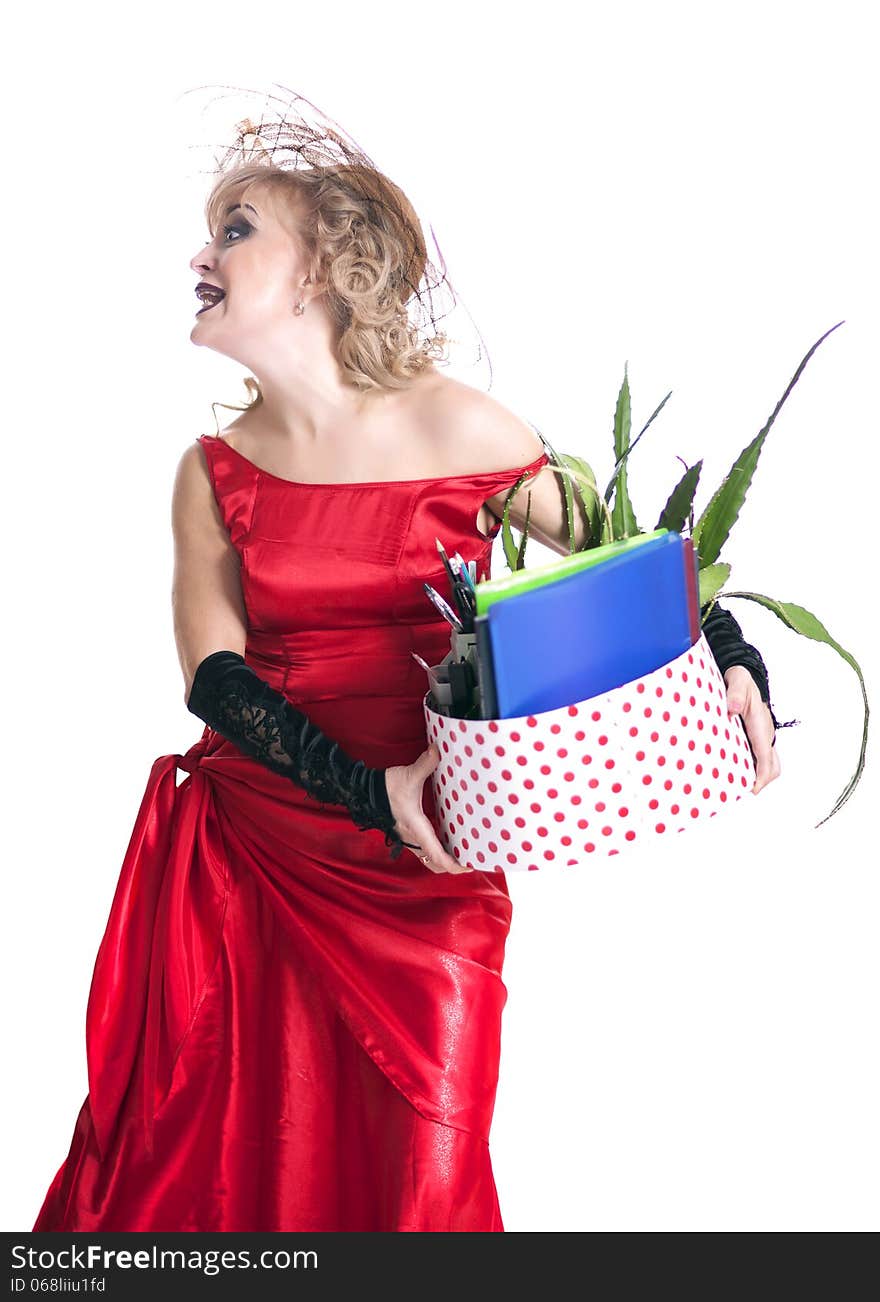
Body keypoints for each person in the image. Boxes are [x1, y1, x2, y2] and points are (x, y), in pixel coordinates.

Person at [32, 151, 780, 1233]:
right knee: (204, 1175)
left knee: (419, 1186)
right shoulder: (212, 472)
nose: (200, 254)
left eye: (235, 230)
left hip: (426, 873)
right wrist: (364, 787)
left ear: (323, 268)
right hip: (255, 851)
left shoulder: (467, 429)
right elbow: (213, 676)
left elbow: (639, 566)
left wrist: (736, 661)